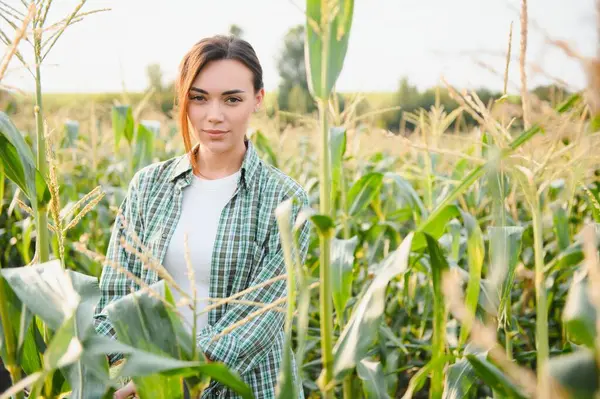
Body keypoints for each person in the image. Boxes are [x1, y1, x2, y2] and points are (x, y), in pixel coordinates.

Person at [92, 35, 311, 399]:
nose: (214, 115)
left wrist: (177, 378)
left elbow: (262, 319)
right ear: (184, 100)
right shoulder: (148, 186)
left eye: (232, 99)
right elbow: (115, 298)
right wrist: (117, 375)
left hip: (249, 388)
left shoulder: (285, 200)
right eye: (199, 98)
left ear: (258, 100)